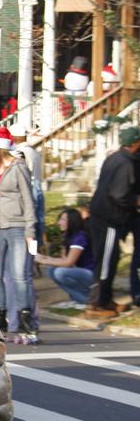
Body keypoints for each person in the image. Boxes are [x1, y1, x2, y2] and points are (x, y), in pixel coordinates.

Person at [0, 125, 38, 343]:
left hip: (17, 226)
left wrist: (30, 229)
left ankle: (25, 322)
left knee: (19, 275)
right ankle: (0, 318)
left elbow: (28, 199)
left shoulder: (19, 167)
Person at [86, 126, 140, 318]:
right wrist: (136, 201)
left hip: (102, 216)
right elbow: (119, 194)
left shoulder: (114, 157)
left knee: (111, 258)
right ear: (135, 143)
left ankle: (106, 300)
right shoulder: (126, 163)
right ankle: (97, 304)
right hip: (109, 218)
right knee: (106, 261)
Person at [37, 208, 93, 308]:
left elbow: (68, 263)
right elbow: (63, 260)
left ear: (72, 221)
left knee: (60, 273)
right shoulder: (68, 236)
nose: (59, 223)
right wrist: (45, 258)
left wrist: (44, 260)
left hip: (91, 273)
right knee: (51, 271)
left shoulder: (80, 237)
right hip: (80, 271)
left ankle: (86, 299)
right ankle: (78, 299)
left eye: (62, 220)